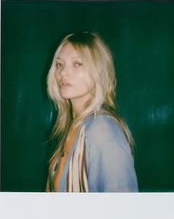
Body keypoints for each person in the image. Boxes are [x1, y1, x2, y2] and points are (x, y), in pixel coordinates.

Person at [46, 31, 138, 192]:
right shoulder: (74, 126)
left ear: (98, 71)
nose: (63, 73)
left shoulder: (102, 129)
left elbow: (122, 208)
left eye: (77, 64)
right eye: (59, 64)